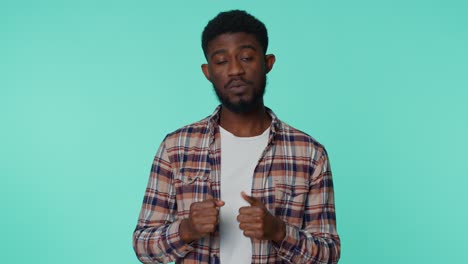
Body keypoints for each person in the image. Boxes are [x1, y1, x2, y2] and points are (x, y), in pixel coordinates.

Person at [133, 10, 340, 264]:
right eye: (221, 61)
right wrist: (186, 230)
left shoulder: (309, 154)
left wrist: (279, 231)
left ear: (268, 63)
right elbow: (143, 246)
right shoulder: (176, 148)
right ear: (207, 72)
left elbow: (329, 255)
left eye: (246, 57)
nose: (235, 70)